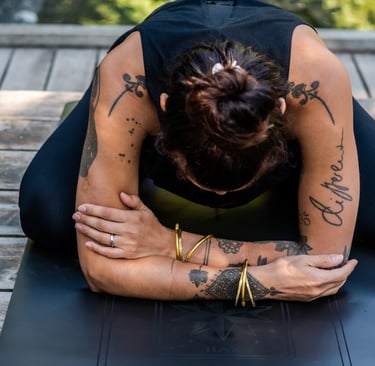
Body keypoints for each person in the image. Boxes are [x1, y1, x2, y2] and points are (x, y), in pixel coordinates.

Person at [19, 0, 374, 306]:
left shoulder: (316, 81)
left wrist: (168, 243)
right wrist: (262, 282)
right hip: (152, 65)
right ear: (162, 113)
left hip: (296, 102)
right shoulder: (128, 78)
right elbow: (99, 271)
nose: (218, 197)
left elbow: (328, 261)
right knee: (47, 212)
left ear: (281, 112)